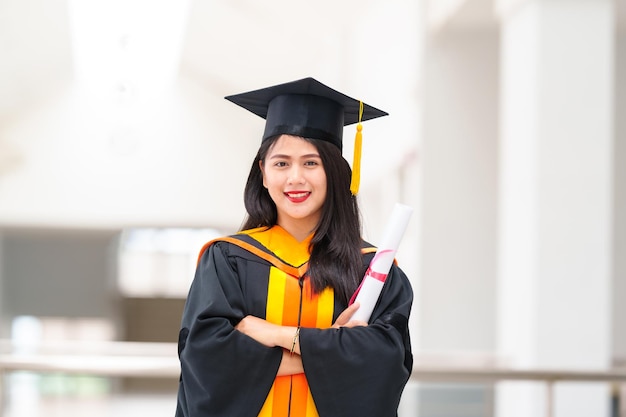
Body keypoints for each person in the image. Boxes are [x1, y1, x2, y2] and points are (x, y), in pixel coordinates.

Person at [175, 77, 413, 417]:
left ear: (335, 172)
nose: (295, 178)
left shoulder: (371, 268)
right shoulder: (228, 259)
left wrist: (272, 332)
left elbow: (385, 360)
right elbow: (206, 358)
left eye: (311, 163)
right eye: (281, 163)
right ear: (263, 172)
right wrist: (331, 348)